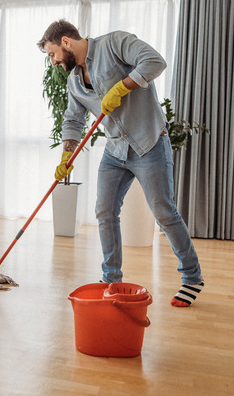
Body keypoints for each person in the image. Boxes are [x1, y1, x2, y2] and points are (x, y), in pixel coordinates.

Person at [37, 20, 204, 307]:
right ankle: (111, 278)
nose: (53, 63)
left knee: (164, 212)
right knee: (105, 211)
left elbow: (155, 62)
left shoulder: (114, 44)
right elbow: (73, 120)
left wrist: (122, 87)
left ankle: (191, 277)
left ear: (65, 42)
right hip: (115, 150)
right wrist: (67, 154)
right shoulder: (74, 80)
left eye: (52, 54)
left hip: (149, 142)